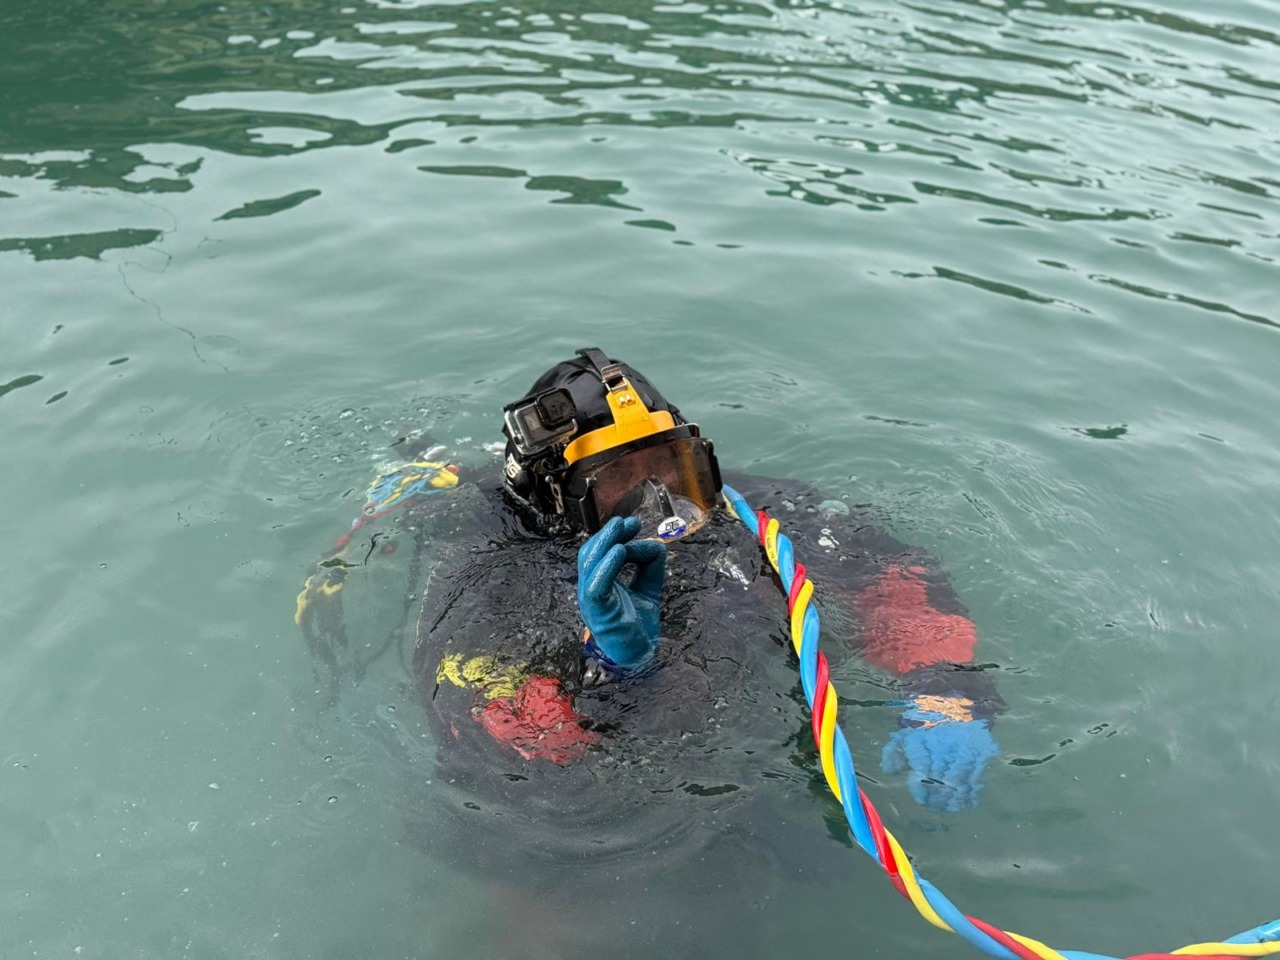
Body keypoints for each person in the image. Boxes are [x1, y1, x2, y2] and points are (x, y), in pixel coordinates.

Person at [297, 347, 1005, 958]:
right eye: (621, 484)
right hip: (576, 850)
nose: (660, 503)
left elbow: (889, 580)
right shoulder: (490, 578)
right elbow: (535, 777)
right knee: (575, 928)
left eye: (672, 468)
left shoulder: (742, 517)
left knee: (741, 925)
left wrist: (945, 691)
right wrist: (615, 674)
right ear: (565, 502)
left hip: (729, 804)